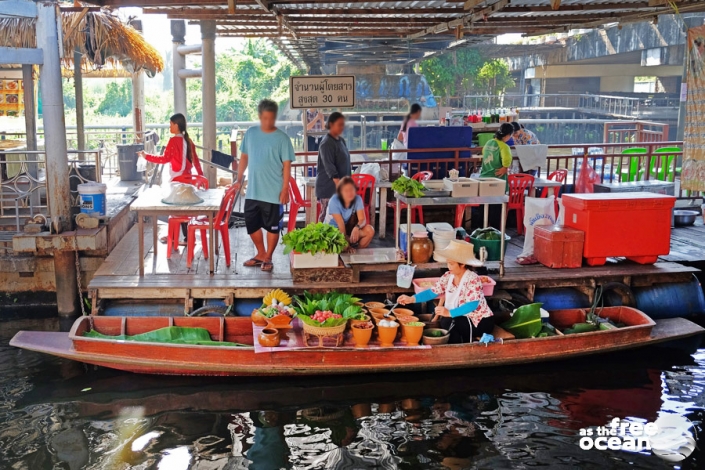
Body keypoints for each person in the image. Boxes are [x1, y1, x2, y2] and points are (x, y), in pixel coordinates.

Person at [237, 99, 295, 272]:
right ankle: (260, 253)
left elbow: (287, 165)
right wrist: (238, 179)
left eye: (271, 118)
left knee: (272, 226)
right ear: (260, 116)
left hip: (274, 191)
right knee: (251, 224)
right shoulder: (251, 133)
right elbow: (244, 158)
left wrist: (285, 189)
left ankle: (268, 256)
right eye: (265, 118)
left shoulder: (282, 138)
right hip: (253, 190)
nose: (268, 122)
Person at [397, 239, 494, 344]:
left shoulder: (473, 279)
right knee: (446, 320)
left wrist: (449, 313)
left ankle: (458, 350)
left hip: (480, 321)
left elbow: (472, 305)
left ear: (462, 264)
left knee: (450, 321)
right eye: (448, 263)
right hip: (460, 317)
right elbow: (432, 292)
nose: (448, 267)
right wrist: (411, 299)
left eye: (452, 264)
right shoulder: (448, 276)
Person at [138, 113, 203, 182]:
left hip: (177, 179)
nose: (170, 127)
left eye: (171, 124)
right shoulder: (189, 141)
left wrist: (146, 156)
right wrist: (201, 176)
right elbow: (196, 161)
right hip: (188, 178)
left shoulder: (173, 141)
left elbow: (164, 159)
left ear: (176, 125)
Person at [316, 112, 351, 222]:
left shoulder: (341, 141)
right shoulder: (326, 143)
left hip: (341, 186)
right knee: (327, 217)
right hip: (329, 188)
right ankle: (319, 239)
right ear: (331, 125)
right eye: (339, 124)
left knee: (339, 219)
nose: (342, 127)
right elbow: (330, 168)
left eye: (343, 124)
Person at [324, 176, 374, 251]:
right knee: (344, 247)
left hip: (347, 229)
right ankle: (346, 251)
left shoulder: (358, 199)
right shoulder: (334, 201)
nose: (349, 193)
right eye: (346, 190)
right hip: (332, 232)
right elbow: (341, 225)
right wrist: (347, 245)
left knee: (370, 230)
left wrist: (357, 227)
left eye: (351, 189)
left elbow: (362, 219)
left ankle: (357, 252)